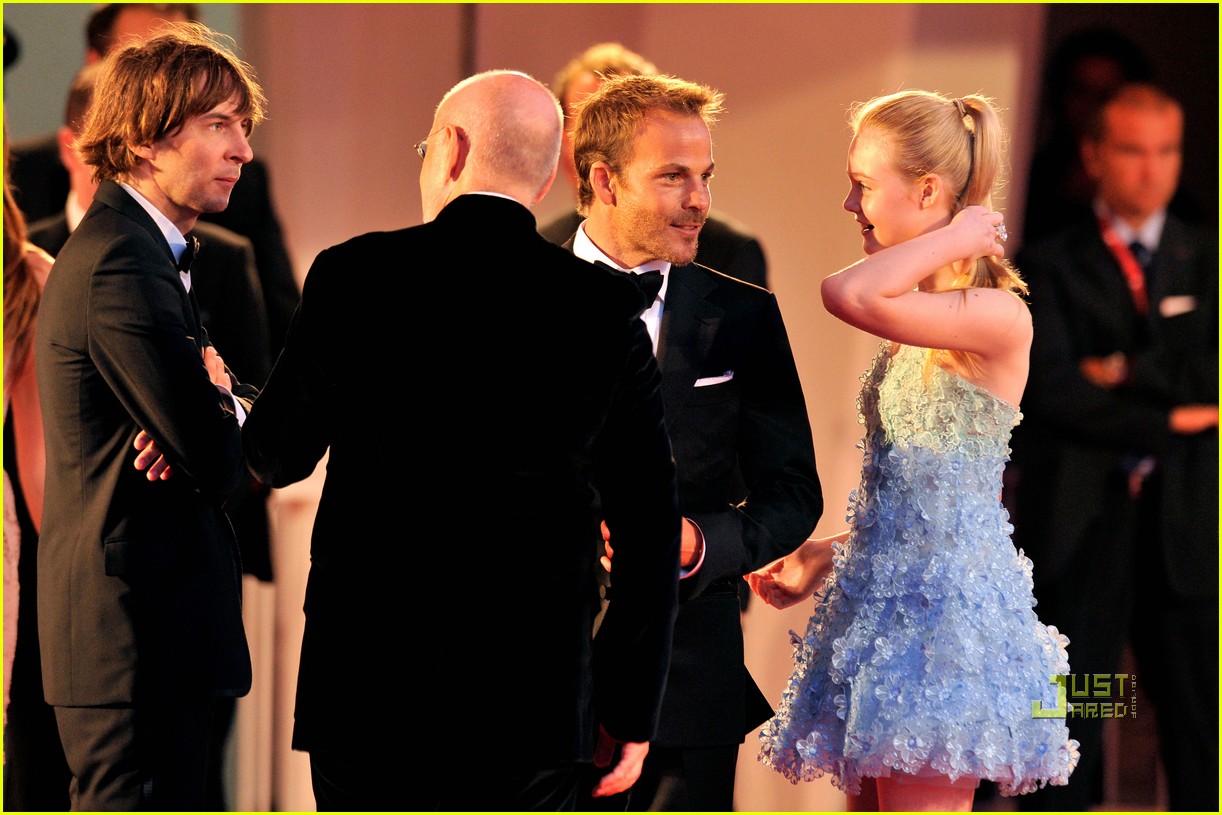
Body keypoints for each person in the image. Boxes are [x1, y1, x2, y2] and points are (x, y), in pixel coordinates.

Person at [242, 69, 683, 811]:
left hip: (366, 692)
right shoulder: (605, 306)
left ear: (449, 148)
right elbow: (649, 526)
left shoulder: (355, 274)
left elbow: (276, 454)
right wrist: (630, 707)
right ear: (547, 179)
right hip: (534, 699)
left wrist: (225, 393)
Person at [748, 90, 1079, 812]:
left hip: (943, 627)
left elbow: (846, 292)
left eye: (862, 185)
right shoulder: (923, 324)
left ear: (928, 190)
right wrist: (826, 553)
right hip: (889, 611)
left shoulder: (997, 315)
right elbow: (923, 504)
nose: (850, 204)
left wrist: (957, 238)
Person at [568, 73, 822, 810]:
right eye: (673, 176)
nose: (700, 199)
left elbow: (792, 493)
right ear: (604, 180)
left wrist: (702, 541)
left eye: (706, 176)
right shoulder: (515, 298)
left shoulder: (744, 315)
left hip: (687, 684)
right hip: (534, 678)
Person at [34, 23, 263, 809]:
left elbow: (210, 433)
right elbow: (219, 459)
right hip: (133, 639)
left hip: (150, 638)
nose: (243, 150)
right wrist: (212, 413)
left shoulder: (145, 250)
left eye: (243, 126)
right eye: (218, 124)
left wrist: (217, 403)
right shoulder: (123, 258)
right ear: (141, 139)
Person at [1011, 83, 1218, 812]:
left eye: (1167, 150)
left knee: (1200, 728)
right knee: (1071, 720)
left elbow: (1210, 374)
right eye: (1132, 150)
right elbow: (1051, 389)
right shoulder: (1050, 260)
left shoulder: (1206, 257)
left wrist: (1122, 370)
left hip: (1187, 529)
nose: (1152, 169)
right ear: (1094, 155)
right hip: (1086, 527)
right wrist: (1169, 418)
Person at [8, 2, 299, 355]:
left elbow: (282, 332)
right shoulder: (28, 184)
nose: (165, 70)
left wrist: (227, 388)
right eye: (143, 54)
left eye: (179, 54)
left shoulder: (232, 203)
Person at [540, 42, 770, 289]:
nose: (700, 200)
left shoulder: (734, 254)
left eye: (705, 176)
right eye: (589, 122)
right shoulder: (536, 255)